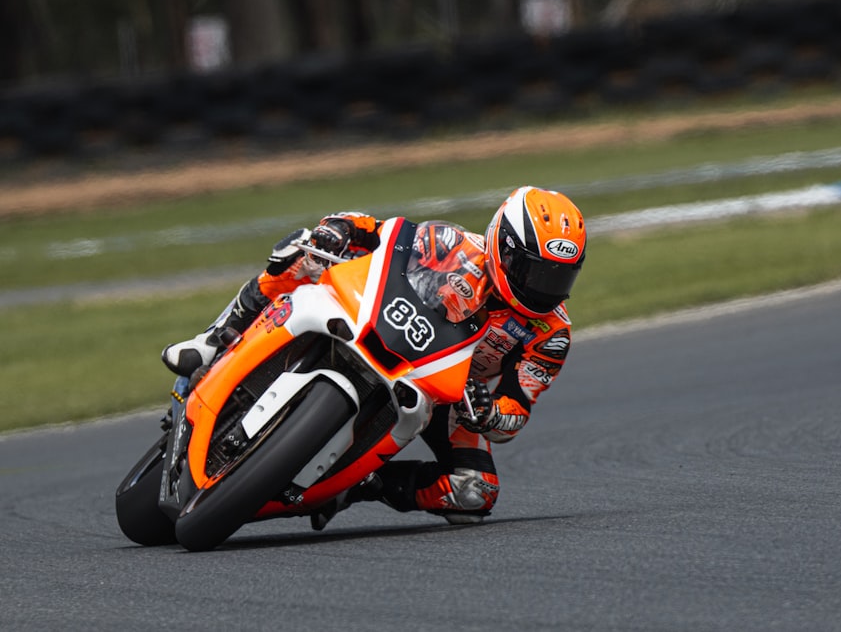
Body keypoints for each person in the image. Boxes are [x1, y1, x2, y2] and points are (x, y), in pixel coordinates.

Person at [162, 186, 586, 527]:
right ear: (502, 247)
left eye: (559, 277)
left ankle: (359, 484)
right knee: (303, 251)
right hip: (379, 325)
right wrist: (338, 230)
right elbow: (380, 232)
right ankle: (216, 338)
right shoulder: (452, 243)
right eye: (535, 271)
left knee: (474, 492)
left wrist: (488, 411)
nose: (543, 288)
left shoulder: (551, 334)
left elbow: (515, 413)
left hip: (446, 392)